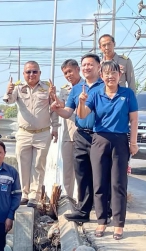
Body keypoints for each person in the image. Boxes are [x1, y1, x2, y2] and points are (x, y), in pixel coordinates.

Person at [77, 60, 139, 240]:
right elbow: (82, 115)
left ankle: (118, 224)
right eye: (106, 73)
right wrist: (81, 102)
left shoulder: (127, 94)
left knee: (118, 184)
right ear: (101, 76)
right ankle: (101, 221)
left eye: (114, 73)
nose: (110, 76)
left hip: (120, 141)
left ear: (120, 75)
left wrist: (133, 143)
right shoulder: (95, 94)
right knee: (99, 183)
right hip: (99, 141)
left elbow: (134, 120)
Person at [51, 53, 104, 223]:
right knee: (82, 174)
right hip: (81, 134)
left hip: (100, 135)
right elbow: (68, 112)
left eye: (90, 64)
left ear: (98, 66)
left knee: (100, 174)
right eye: (85, 65)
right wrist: (57, 109)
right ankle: (83, 211)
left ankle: (105, 210)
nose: (87, 68)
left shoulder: (105, 87)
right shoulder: (75, 89)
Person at [3, 61, 60, 208]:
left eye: (34, 71)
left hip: (42, 133)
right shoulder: (18, 88)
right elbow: (9, 101)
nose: (31, 74)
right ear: (24, 74)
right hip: (24, 133)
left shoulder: (47, 88)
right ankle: (24, 194)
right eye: (28, 72)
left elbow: (53, 110)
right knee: (23, 164)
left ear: (39, 73)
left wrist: (55, 128)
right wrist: (8, 91)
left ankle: (34, 196)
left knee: (38, 165)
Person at [57, 59, 82, 199]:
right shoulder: (64, 90)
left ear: (78, 69)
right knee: (67, 169)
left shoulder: (88, 86)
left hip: (84, 134)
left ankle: (82, 200)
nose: (68, 75)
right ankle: (68, 198)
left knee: (83, 170)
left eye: (70, 71)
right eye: (65, 73)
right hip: (67, 135)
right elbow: (58, 109)